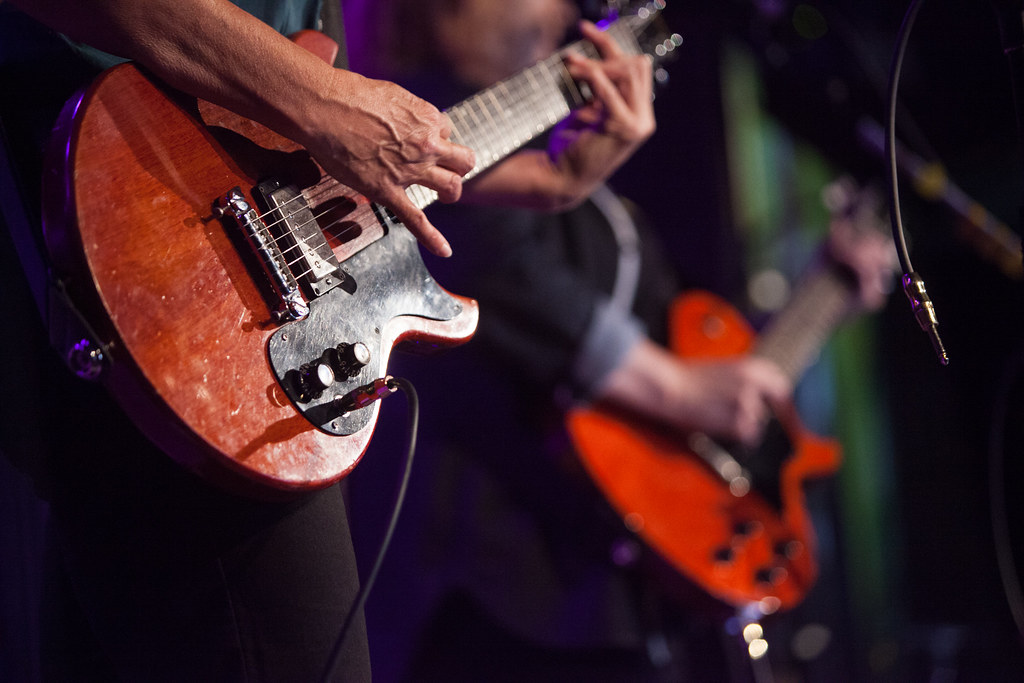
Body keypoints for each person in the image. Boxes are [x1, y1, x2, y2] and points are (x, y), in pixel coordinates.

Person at [0, 0, 653, 679]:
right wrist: (319, 100)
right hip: (132, 210)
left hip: (232, 301)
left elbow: (307, 131)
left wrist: (542, 183)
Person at [343, 0, 896, 680]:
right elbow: (500, 266)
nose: (561, 15)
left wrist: (825, 291)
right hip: (504, 579)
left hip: (612, 585)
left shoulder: (601, 201)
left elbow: (701, 370)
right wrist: (680, 387)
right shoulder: (412, 146)